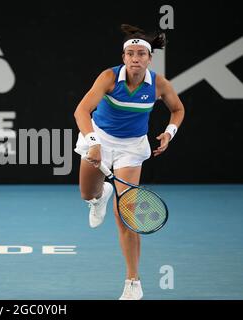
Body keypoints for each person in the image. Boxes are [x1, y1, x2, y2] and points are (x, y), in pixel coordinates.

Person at [73, 24, 185, 300]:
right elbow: (82, 110)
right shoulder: (109, 78)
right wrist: (94, 142)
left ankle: (133, 282)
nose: (136, 58)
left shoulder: (158, 84)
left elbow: (178, 109)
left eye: (141, 54)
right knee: (87, 192)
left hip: (132, 148)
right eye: (130, 53)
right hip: (98, 137)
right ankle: (98, 197)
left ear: (149, 58)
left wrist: (169, 132)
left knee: (125, 214)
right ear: (124, 57)